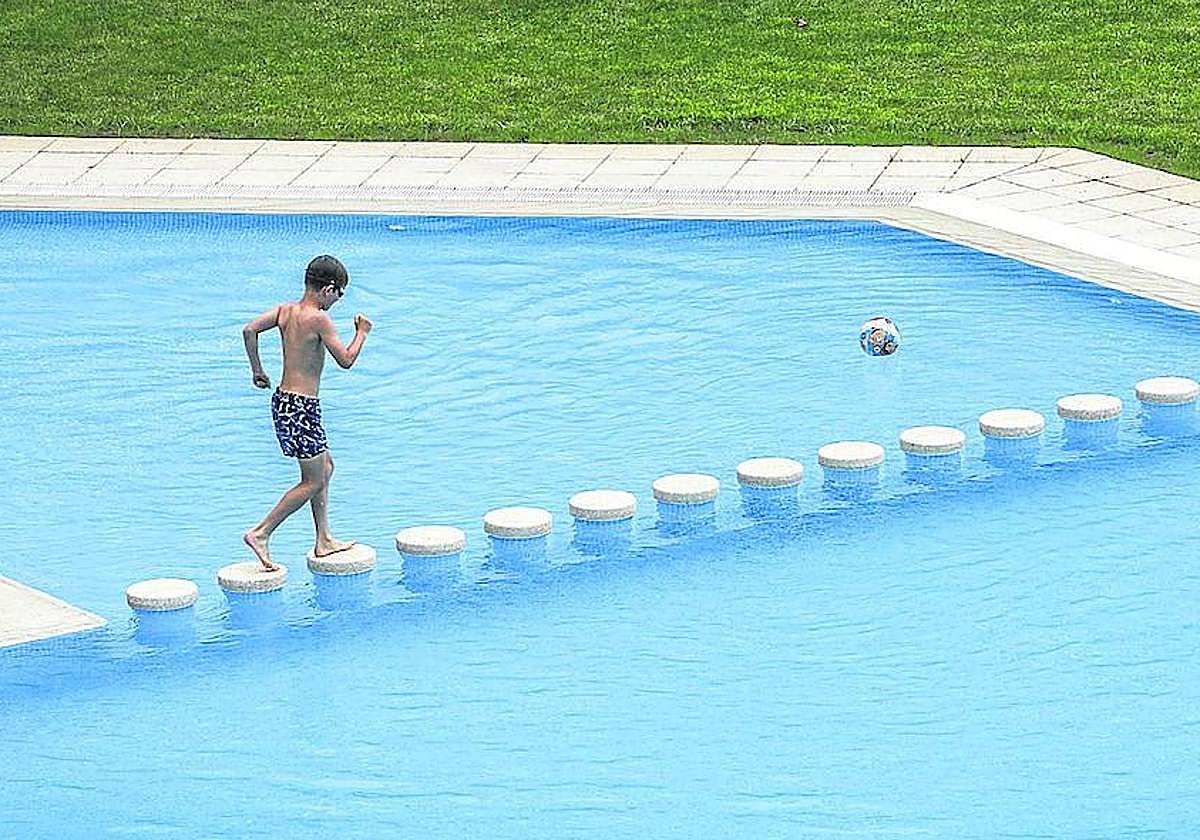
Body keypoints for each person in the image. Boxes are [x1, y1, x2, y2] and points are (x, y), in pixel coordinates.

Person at [241, 255, 373, 571]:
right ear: (328, 289)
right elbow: (345, 359)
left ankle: (324, 539)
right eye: (339, 295)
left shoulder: (286, 311)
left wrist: (257, 371)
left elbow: (249, 331)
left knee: (325, 466)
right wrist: (362, 333)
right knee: (313, 480)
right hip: (301, 408)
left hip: (285, 402)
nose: (336, 302)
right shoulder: (318, 319)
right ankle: (261, 533)